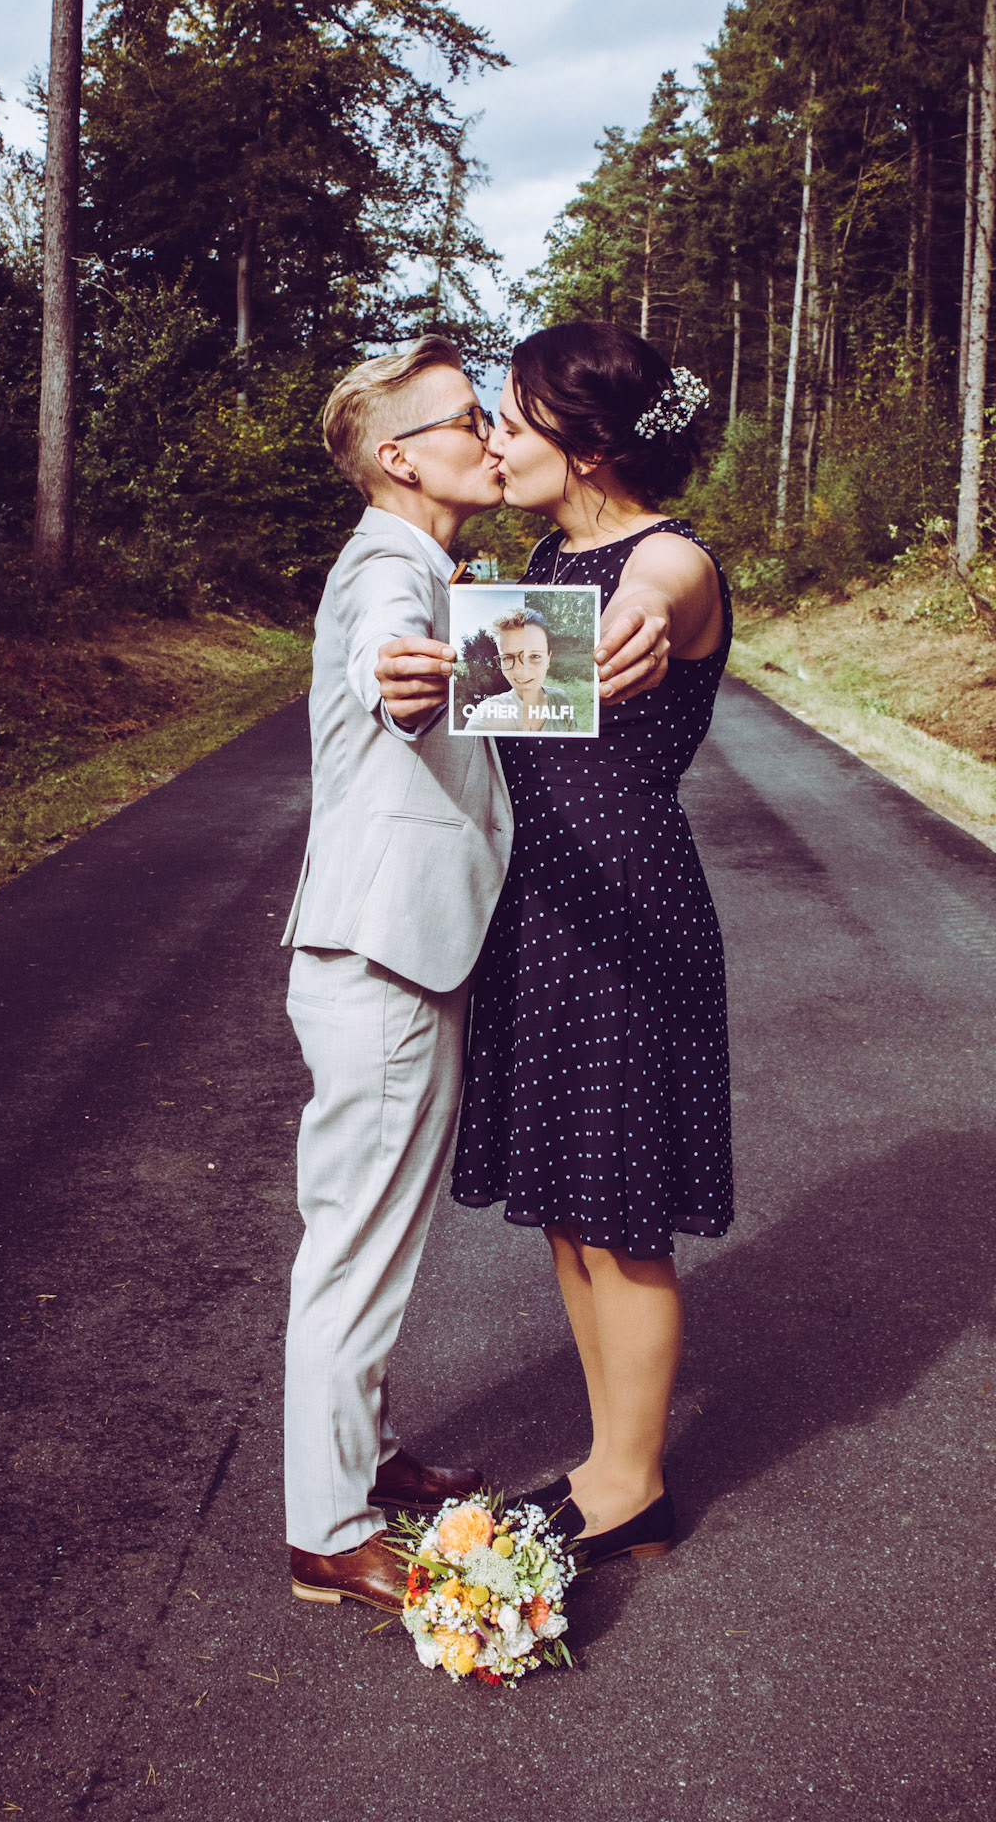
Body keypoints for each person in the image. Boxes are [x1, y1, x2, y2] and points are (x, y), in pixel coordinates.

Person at [378, 320, 732, 1570]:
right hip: (540, 911)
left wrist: (637, 611)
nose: (495, 439)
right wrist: (423, 687)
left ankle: (633, 1485)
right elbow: (501, 706)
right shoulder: (543, 559)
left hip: (627, 913)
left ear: (585, 444)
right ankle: (605, 1458)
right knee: (573, 1211)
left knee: (621, 1212)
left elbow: (659, 592)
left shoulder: (667, 560)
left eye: (513, 421)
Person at [280, 335, 514, 1615]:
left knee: (374, 1231)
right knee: (356, 1244)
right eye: (467, 417)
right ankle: (328, 1529)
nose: (490, 435)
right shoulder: (389, 569)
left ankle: (363, 1454)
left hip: (394, 953)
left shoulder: (430, 565)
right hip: (381, 962)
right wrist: (404, 682)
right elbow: (394, 665)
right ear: (400, 457)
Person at [463, 606, 579, 733]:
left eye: (534, 656)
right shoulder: (487, 713)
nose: (520, 670)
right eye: (507, 657)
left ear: (548, 659)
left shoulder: (561, 700)